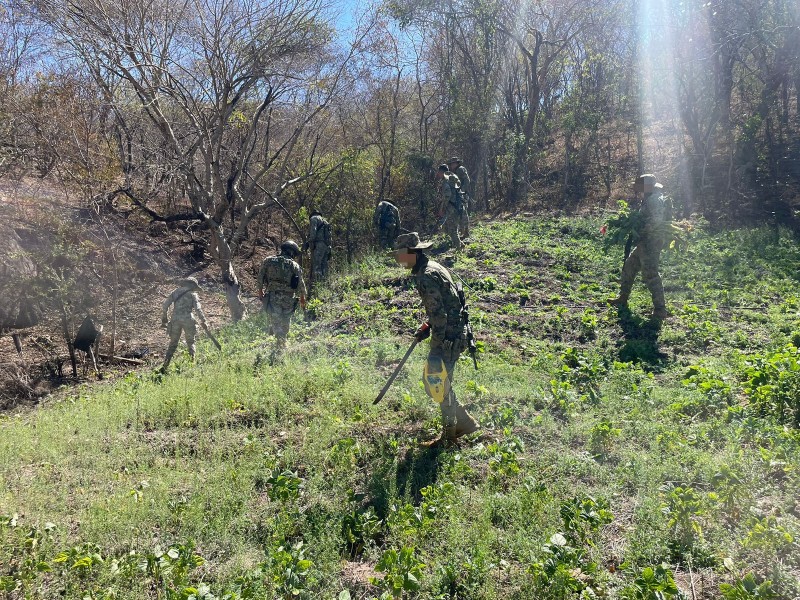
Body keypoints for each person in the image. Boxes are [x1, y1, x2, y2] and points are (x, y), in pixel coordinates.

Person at [393, 231, 480, 445]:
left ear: (413, 253)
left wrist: (436, 343)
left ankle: (450, 435)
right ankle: (464, 422)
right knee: (439, 381)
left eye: (402, 255)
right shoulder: (434, 267)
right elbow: (445, 306)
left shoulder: (425, 277)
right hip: (453, 330)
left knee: (437, 381)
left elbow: (440, 314)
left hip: (448, 336)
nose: (400, 261)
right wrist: (427, 326)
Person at [608, 174, 669, 320]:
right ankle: (623, 297)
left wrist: (641, 229)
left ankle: (660, 310)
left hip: (651, 242)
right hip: (644, 241)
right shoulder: (648, 197)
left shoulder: (655, 199)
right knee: (629, 266)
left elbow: (656, 221)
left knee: (650, 273)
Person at [258, 240, 307, 355]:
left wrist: (260, 292)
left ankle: (279, 345)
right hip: (289, 299)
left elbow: (260, 277)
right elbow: (301, 284)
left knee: (275, 319)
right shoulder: (295, 265)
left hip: (273, 296)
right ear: (292, 252)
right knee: (285, 321)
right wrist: (302, 298)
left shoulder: (268, 261)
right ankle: (282, 345)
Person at [160, 277, 208, 369]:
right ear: (192, 285)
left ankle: (165, 365)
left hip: (175, 320)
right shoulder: (193, 295)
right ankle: (191, 364)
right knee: (191, 342)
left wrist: (164, 318)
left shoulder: (175, 292)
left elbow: (165, 305)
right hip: (188, 320)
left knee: (173, 343)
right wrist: (203, 321)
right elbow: (198, 309)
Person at [436, 164, 468, 250]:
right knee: (447, 228)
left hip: (452, 208)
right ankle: (460, 244)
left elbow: (447, 196)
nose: (437, 174)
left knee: (452, 229)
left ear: (442, 172)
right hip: (457, 206)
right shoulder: (452, 178)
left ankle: (459, 249)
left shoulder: (446, 182)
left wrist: (442, 209)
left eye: (438, 172)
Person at [448, 157, 472, 234]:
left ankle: (465, 231)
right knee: (460, 212)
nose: (452, 165)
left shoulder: (460, 169)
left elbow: (467, 180)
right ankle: (463, 230)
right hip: (459, 194)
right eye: (451, 164)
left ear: (457, 163)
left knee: (463, 212)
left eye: (453, 163)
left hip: (462, 194)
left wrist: (462, 190)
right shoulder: (455, 171)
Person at [305, 211, 331, 281]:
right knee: (324, 265)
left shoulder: (314, 218)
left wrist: (310, 243)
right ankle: (325, 283)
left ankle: (318, 283)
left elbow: (313, 231)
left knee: (317, 265)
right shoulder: (325, 221)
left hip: (319, 244)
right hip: (326, 246)